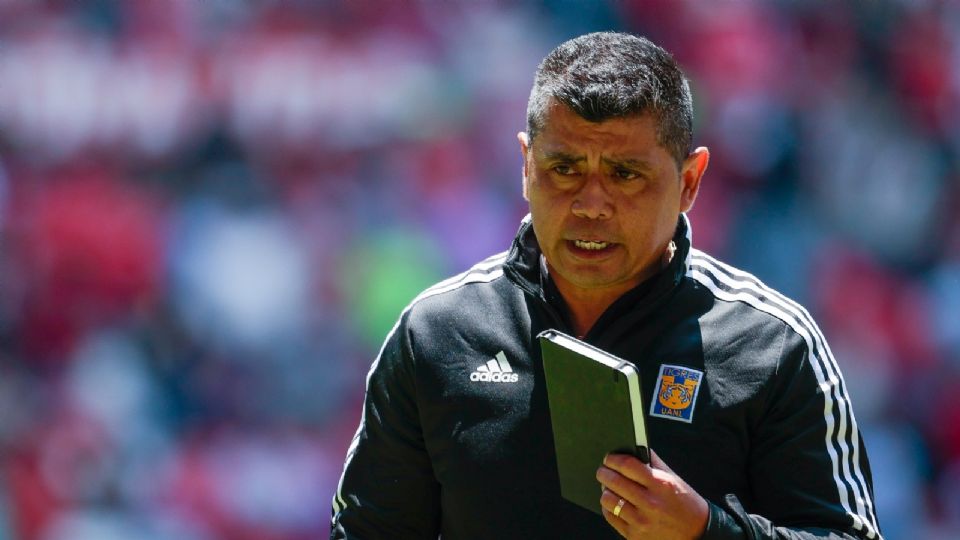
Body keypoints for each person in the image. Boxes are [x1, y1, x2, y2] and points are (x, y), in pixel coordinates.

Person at [330, 31, 882, 540]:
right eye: (564, 168)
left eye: (625, 174)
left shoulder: (772, 344)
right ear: (525, 165)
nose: (591, 204)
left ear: (689, 182)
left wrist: (706, 531)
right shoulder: (435, 334)